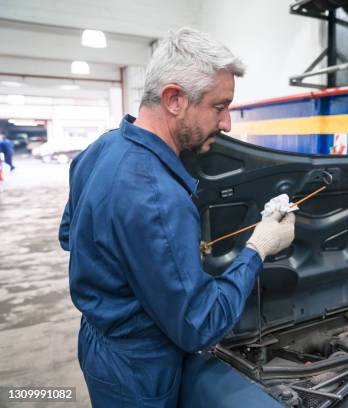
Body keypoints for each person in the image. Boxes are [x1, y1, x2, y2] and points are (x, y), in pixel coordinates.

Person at [58, 28, 296, 407]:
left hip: (98, 342)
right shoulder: (157, 197)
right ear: (174, 99)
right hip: (140, 367)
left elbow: (70, 236)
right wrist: (259, 246)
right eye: (219, 106)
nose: (227, 123)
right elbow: (199, 326)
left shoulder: (100, 149)